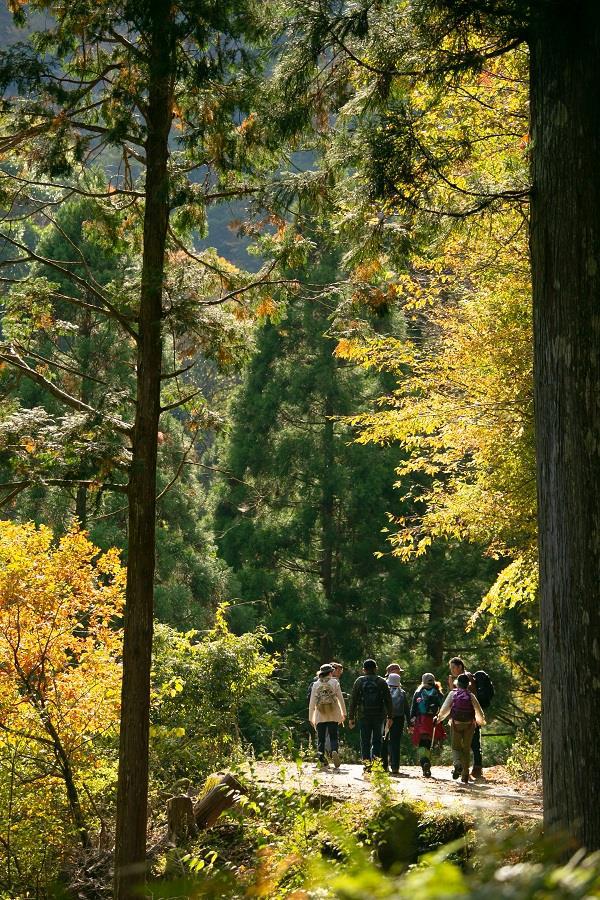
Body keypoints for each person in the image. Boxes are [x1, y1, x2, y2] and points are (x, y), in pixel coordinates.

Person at [447, 656, 492, 779]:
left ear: (459, 666)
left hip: (470, 718)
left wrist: (478, 718)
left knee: (474, 744)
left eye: (453, 667)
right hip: (466, 717)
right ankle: (466, 770)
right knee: (468, 744)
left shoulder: (468, 678)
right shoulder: (463, 678)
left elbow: (470, 697)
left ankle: (477, 768)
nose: (452, 670)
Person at [437, 673, 486, 785]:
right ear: (468, 684)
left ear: (457, 683)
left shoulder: (452, 694)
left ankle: (458, 764)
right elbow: (479, 711)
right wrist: (480, 721)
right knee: (466, 748)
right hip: (470, 724)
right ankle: (465, 775)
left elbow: (445, 709)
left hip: (456, 723)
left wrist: (439, 719)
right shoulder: (471, 695)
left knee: (455, 747)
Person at [348, 659, 393, 771]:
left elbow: (353, 700)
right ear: (375, 668)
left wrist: (351, 717)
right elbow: (388, 700)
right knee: (377, 741)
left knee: (365, 740)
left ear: (364, 670)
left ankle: (367, 764)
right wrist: (390, 716)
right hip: (379, 716)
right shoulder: (382, 682)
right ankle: (376, 763)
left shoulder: (359, 681)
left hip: (364, 715)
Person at [308, 663, 346, 768]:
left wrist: (311, 717)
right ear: (330, 672)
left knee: (321, 738)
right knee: (333, 736)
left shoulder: (315, 684)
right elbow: (340, 698)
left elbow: (312, 702)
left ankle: (321, 759)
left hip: (320, 714)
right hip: (333, 714)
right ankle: (334, 751)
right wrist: (344, 713)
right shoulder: (334, 682)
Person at [410, 673, 446, 777]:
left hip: (422, 719)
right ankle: (427, 765)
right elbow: (443, 707)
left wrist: (411, 721)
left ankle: (424, 762)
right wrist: (441, 721)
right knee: (429, 742)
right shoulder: (438, 692)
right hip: (434, 720)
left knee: (422, 742)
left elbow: (414, 707)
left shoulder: (418, 691)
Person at [381, 672, 410, 775]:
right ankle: (395, 767)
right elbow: (406, 709)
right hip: (399, 719)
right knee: (395, 743)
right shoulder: (402, 692)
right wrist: (410, 723)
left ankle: (384, 766)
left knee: (383, 741)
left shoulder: (385, 692)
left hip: (386, 719)